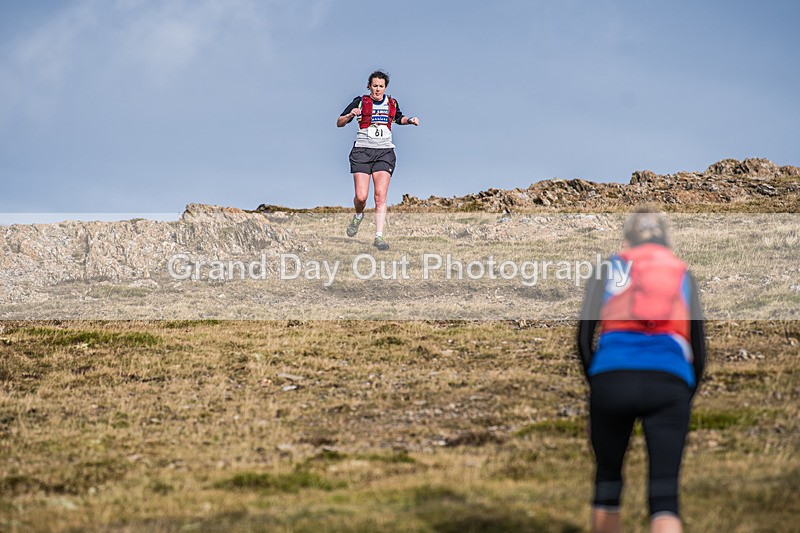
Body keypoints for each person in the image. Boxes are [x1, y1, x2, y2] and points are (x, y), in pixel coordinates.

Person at [577, 206, 706, 533]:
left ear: (628, 238)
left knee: (607, 483)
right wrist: (683, 394)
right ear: (666, 239)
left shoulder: (609, 267)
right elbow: (700, 351)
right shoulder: (682, 272)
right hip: (669, 381)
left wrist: (598, 386)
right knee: (664, 496)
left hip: (612, 378)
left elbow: (582, 339)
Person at [337, 70, 419, 251]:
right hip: (362, 152)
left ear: (385, 88)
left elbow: (398, 118)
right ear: (369, 86)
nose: (378, 89)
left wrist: (410, 120)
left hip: (384, 152)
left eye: (381, 86)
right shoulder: (360, 101)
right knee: (361, 196)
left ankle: (379, 237)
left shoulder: (392, 102)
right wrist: (351, 114)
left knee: (380, 195)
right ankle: (358, 216)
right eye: (375, 86)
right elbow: (339, 122)